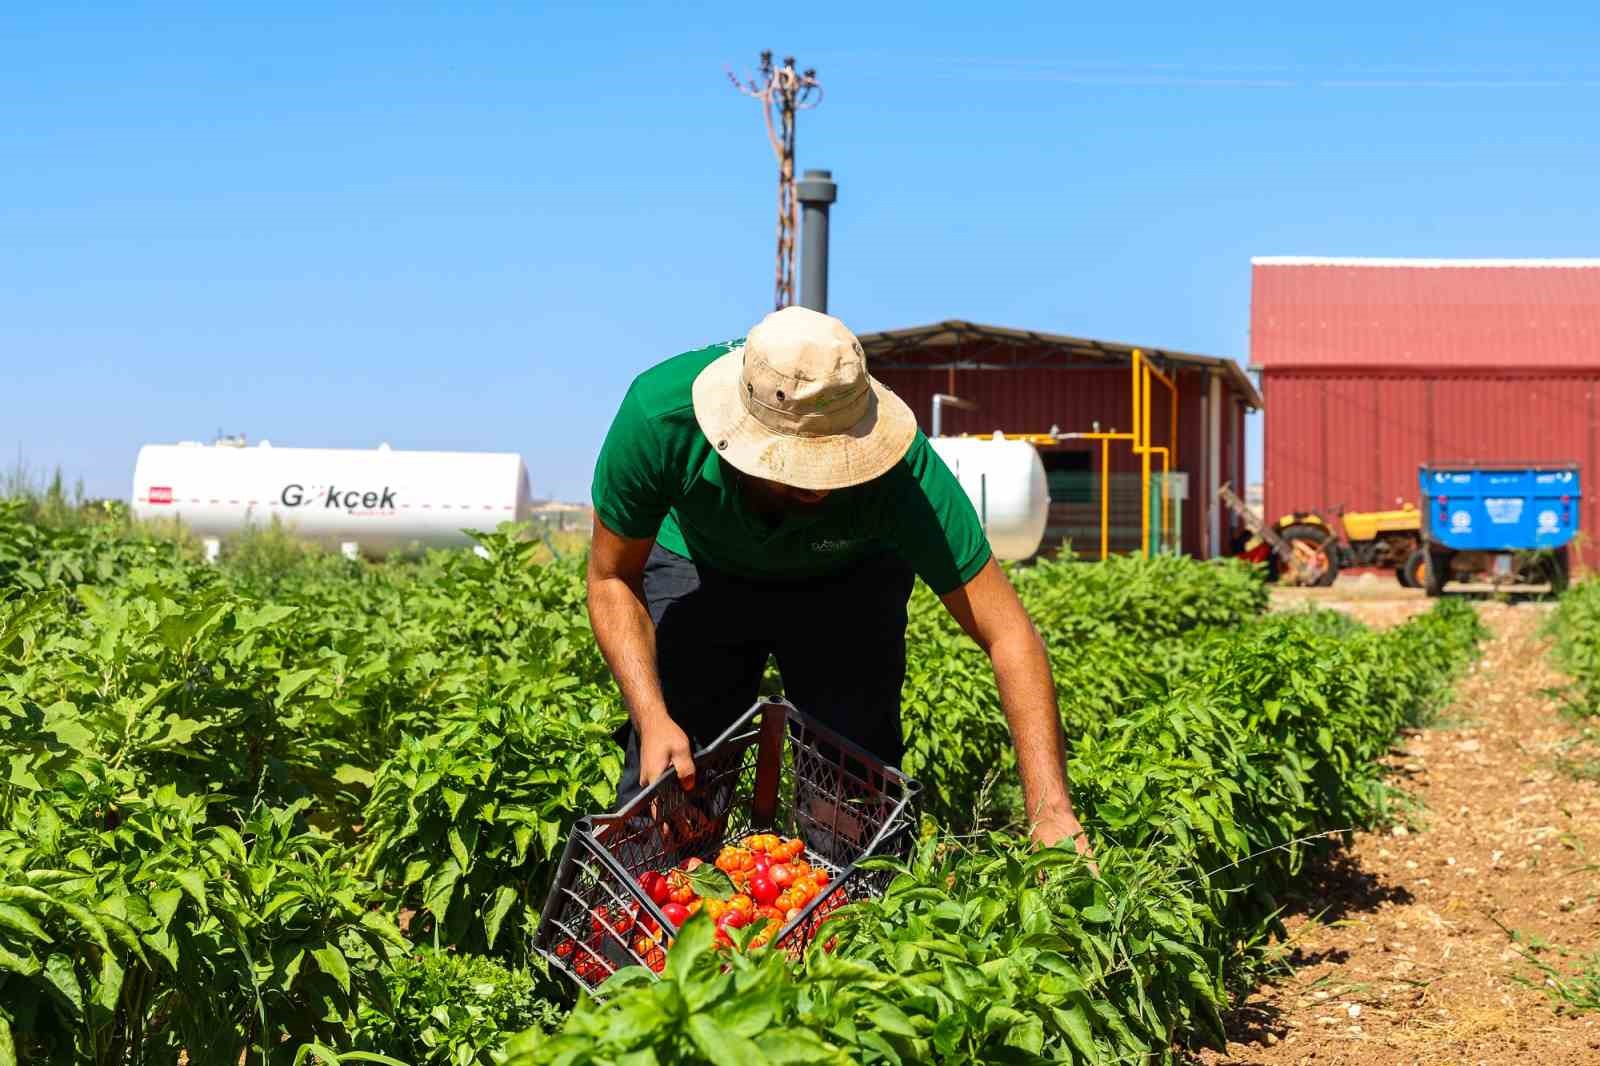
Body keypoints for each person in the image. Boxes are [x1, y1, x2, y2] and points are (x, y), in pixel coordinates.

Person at [586, 305, 1090, 853]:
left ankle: (850, 921)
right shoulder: (660, 418)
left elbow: (1009, 634)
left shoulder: (906, 476)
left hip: (847, 583)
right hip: (701, 569)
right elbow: (611, 578)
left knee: (854, 797)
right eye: (796, 469)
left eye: (835, 463)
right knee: (670, 786)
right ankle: (651, 927)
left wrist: (1052, 812)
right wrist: (653, 716)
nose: (817, 489)